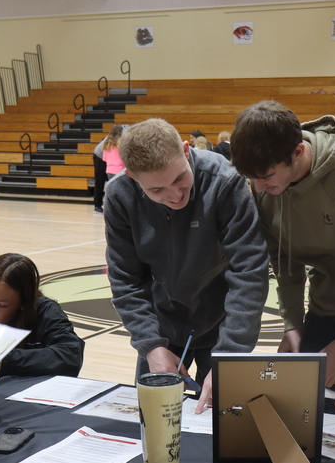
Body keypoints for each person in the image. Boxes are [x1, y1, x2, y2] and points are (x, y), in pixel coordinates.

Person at [231, 101, 335, 421]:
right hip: (323, 312)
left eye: (266, 177)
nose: (259, 189)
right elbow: (284, 262)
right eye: (251, 179)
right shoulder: (266, 187)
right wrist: (292, 324)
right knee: (308, 424)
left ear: (297, 153)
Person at [104, 118, 269, 413]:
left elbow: (249, 272)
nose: (175, 195)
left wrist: (229, 356)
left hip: (222, 326)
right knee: (154, 423)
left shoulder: (224, 181)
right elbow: (126, 280)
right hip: (160, 327)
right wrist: (152, 346)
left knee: (224, 420)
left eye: (180, 178)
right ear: (131, 176)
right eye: (156, 190)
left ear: (186, 149)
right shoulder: (120, 196)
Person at [92, 133, 109, 214]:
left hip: (109, 156)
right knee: (99, 180)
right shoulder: (125, 136)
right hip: (100, 156)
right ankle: (97, 206)